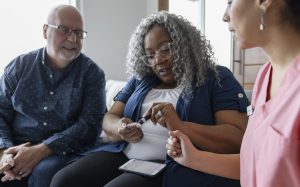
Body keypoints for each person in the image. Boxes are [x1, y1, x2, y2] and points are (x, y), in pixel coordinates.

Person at [50, 11, 248, 187]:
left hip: (172, 164)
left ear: (185, 45)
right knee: (63, 180)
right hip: (123, 154)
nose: (158, 61)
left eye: (165, 49)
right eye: (150, 55)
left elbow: (236, 138)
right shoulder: (141, 80)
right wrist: (121, 127)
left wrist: (180, 126)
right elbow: (110, 116)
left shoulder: (216, 77)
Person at [166, 0, 300, 187]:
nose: (225, 16)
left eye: (230, 2)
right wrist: (193, 158)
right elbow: (255, 163)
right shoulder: (265, 75)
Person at [0, 4, 106, 187]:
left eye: (79, 33)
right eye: (64, 30)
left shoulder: (92, 74)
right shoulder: (18, 67)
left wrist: (42, 150)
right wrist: (6, 152)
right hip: (15, 146)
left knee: (45, 172)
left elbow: (90, 125)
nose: (73, 39)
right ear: (45, 31)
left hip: (62, 153)